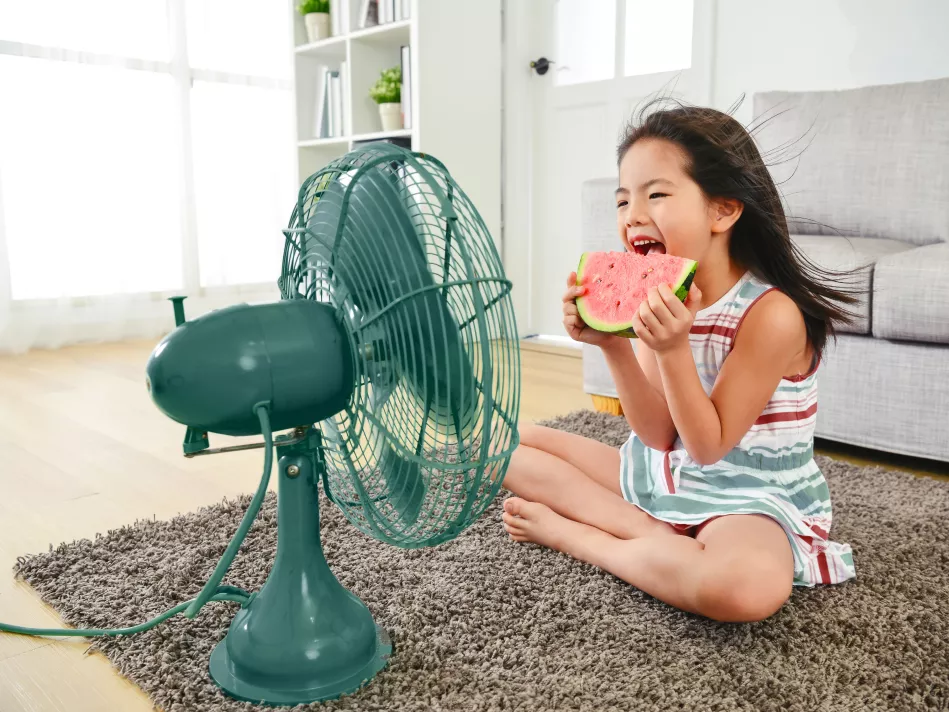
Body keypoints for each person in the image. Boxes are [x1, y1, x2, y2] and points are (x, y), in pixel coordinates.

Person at [501, 99, 858, 623]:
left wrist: (672, 349)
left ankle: (586, 537)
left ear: (723, 210)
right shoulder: (659, 289)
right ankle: (655, 535)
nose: (633, 217)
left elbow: (708, 446)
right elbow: (658, 436)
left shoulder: (772, 315)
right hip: (667, 471)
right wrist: (614, 344)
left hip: (748, 494)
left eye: (657, 195)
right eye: (623, 201)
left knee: (743, 589)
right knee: (499, 446)